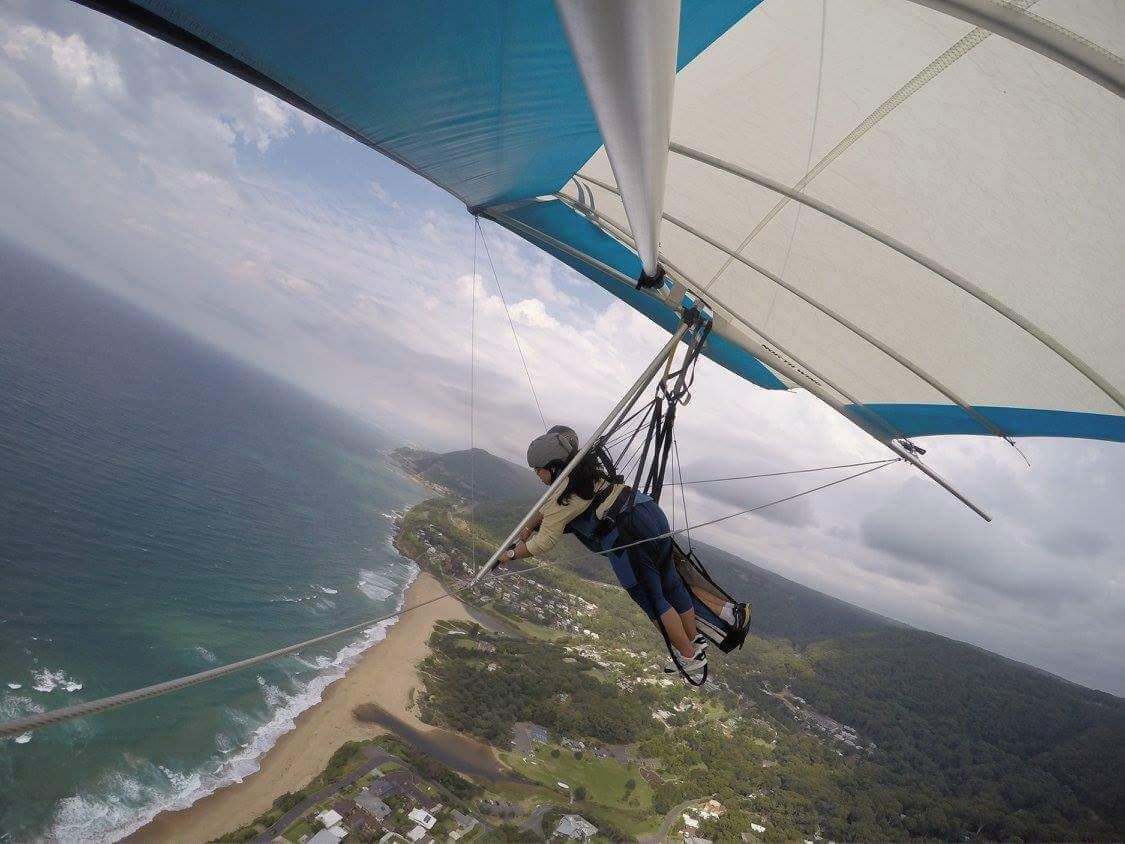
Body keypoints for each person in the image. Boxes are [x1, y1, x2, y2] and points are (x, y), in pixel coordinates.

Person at [498, 426, 747, 677]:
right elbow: (547, 509)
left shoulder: (564, 494)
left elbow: (545, 541)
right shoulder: (585, 470)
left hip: (626, 534)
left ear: (552, 467)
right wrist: (530, 525)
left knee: (652, 600)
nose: (538, 476)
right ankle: (694, 639)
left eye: (538, 471)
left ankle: (689, 656)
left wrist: (510, 555)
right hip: (647, 511)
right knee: (672, 585)